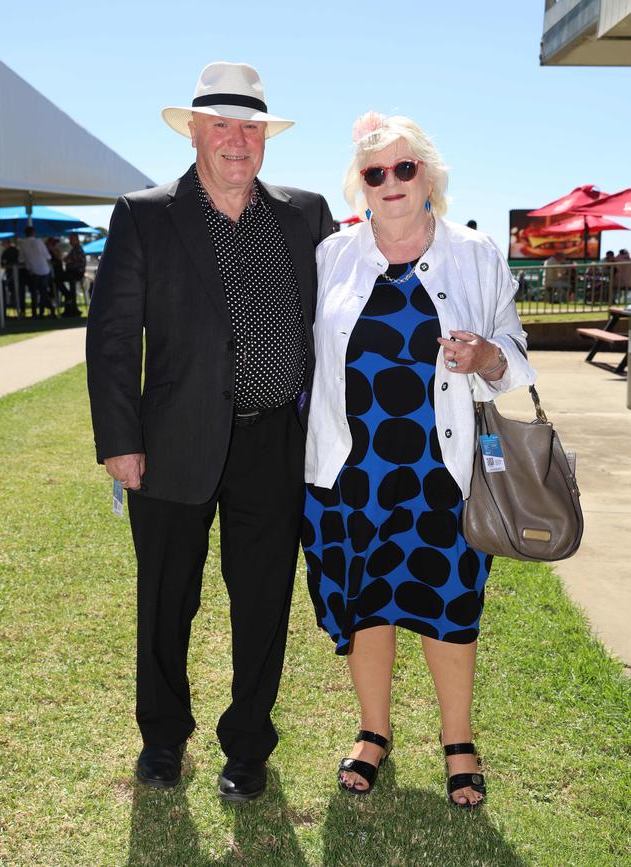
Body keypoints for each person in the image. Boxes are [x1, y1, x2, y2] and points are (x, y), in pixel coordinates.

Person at [86, 61, 332, 799]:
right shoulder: (145, 213)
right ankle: (162, 737)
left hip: (272, 443)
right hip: (169, 442)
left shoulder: (306, 213)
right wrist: (119, 440)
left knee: (263, 599)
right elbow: (112, 336)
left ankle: (248, 745)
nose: (236, 139)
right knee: (167, 598)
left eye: (249, 126)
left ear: (265, 138)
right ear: (193, 131)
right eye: (220, 124)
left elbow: (335, 319)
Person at [303, 112, 535, 807]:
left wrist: (486, 356)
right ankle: (373, 731)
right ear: (361, 186)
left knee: (449, 603)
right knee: (366, 606)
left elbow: (514, 354)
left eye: (405, 168)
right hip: (353, 470)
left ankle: (458, 740)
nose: (392, 182)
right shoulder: (331, 257)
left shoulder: (476, 253)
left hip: (443, 471)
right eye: (376, 173)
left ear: (429, 175)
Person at [19, 226, 54, 318]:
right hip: (44, 270)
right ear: (33, 233)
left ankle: (36, 312)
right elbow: (48, 256)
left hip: (33, 271)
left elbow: (21, 259)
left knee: (34, 293)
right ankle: (43, 312)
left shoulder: (23, 244)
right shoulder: (39, 242)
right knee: (43, 292)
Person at [64, 233, 86, 316]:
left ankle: (73, 307)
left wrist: (69, 261)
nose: (70, 241)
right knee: (60, 279)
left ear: (76, 239)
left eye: (71, 239)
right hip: (74, 272)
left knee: (60, 279)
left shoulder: (77, 249)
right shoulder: (74, 249)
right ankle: (70, 302)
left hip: (76, 272)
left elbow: (71, 260)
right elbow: (66, 259)